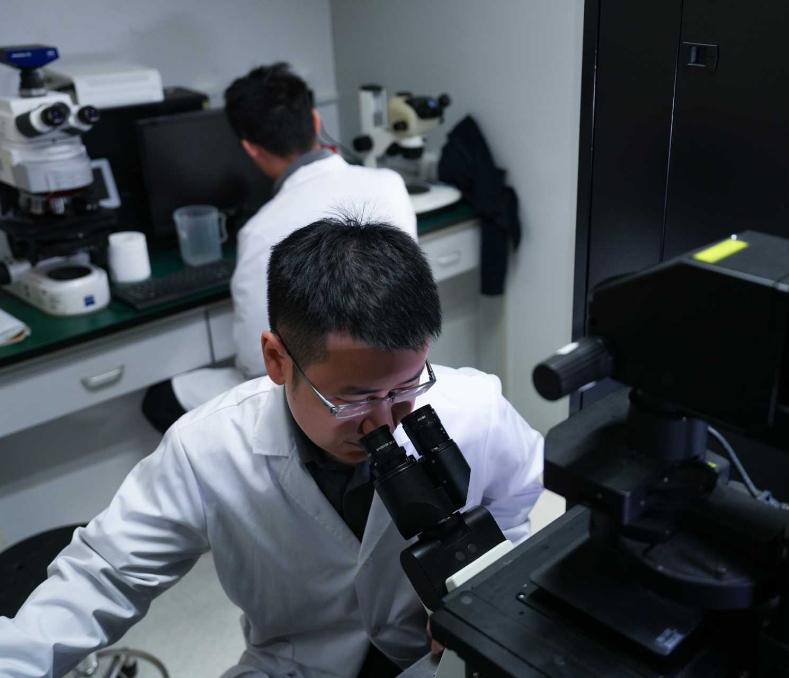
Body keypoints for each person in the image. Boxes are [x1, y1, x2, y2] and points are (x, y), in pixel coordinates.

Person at [0, 218, 544, 677]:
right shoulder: (207, 448)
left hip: (434, 660)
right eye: (353, 399)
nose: (384, 421)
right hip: (294, 667)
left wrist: (481, 591)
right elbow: (105, 575)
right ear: (277, 359)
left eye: (405, 387)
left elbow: (521, 496)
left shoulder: (472, 409)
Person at [143, 63, 416, 431]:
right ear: (316, 121)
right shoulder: (389, 183)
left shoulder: (261, 230)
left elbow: (255, 363)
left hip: (322, 393)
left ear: (250, 149)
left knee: (159, 400)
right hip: (395, 373)